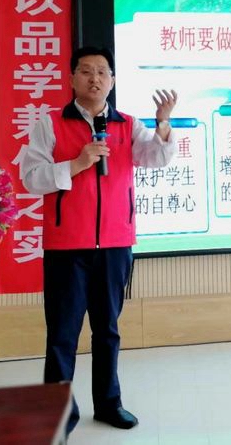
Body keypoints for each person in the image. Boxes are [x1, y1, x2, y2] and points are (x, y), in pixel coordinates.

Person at [21, 46, 178, 434]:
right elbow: (31, 178)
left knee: (107, 330)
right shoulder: (50, 124)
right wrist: (76, 164)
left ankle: (109, 404)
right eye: (86, 71)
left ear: (112, 81)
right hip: (66, 246)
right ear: (72, 78)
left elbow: (157, 158)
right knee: (62, 335)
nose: (94, 78)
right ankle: (58, 414)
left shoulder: (127, 125)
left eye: (102, 72)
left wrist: (162, 123)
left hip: (115, 244)